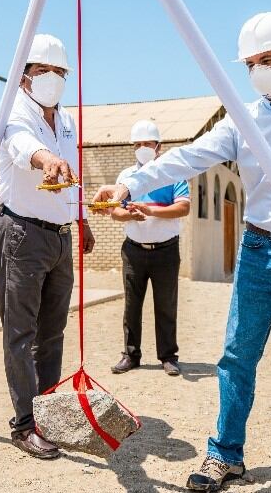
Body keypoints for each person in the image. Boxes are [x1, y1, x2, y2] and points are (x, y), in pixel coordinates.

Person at [93, 12, 271, 493]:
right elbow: (185, 157)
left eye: (266, 59)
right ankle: (224, 455)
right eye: (250, 63)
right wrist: (127, 182)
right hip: (260, 249)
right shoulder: (240, 121)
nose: (258, 70)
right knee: (237, 356)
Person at [0, 34, 95, 459]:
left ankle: (46, 412)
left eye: (59, 72)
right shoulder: (12, 111)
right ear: (25, 76)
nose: (51, 78)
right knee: (21, 332)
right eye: (41, 71)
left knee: (52, 333)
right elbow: (21, 147)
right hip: (21, 235)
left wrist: (81, 217)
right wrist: (44, 159)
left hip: (59, 236)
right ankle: (24, 424)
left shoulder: (67, 120)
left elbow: (74, 169)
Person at [110, 120, 190, 377]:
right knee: (132, 305)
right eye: (138, 144)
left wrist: (150, 210)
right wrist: (129, 216)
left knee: (166, 304)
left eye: (148, 143)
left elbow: (183, 207)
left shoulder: (173, 173)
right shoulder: (125, 177)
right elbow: (114, 211)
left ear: (159, 146)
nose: (143, 147)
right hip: (134, 250)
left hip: (165, 250)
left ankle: (168, 356)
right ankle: (130, 355)